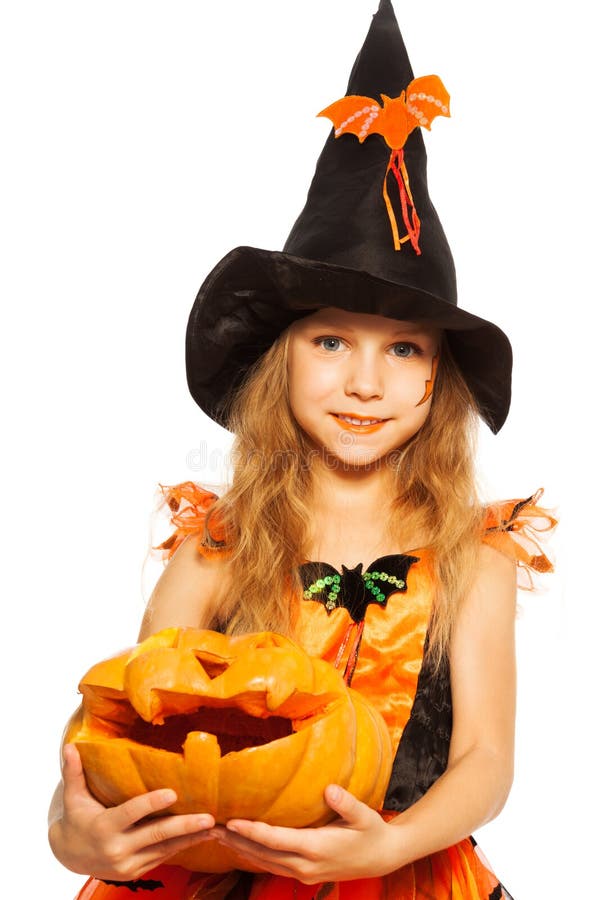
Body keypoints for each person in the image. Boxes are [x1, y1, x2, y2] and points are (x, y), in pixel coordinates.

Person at [48, 2, 556, 898]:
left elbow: (484, 762)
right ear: (281, 358)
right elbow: (118, 723)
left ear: (437, 379)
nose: (366, 383)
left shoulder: (470, 559)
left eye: (403, 349)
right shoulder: (218, 544)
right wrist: (71, 830)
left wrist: (384, 850)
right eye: (331, 343)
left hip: (401, 872)